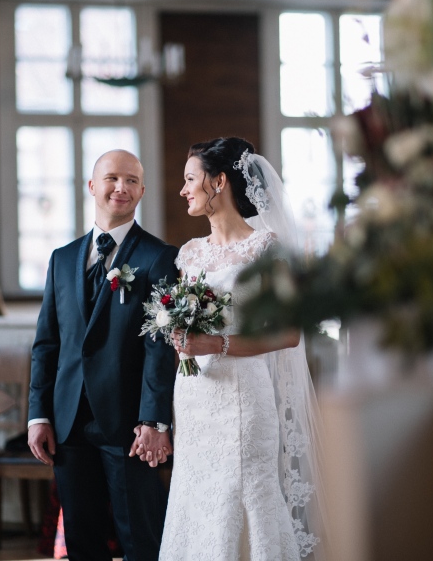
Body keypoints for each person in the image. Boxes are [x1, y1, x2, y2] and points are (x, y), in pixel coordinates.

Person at [154, 137, 326, 560]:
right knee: (195, 493)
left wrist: (217, 342)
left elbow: (290, 334)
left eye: (190, 179)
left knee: (245, 488)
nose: (183, 190)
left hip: (243, 400)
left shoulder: (267, 248)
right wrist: (179, 337)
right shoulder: (189, 254)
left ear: (219, 182)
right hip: (193, 399)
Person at [27, 149, 178, 561]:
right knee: (82, 542)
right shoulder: (61, 259)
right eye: (112, 178)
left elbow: (159, 348)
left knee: (141, 541)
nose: (121, 187)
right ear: (93, 186)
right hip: (69, 424)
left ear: (142, 191)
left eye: (131, 180)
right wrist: (39, 415)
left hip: (130, 426)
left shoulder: (158, 257)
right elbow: (46, 345)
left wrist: (153, 420)